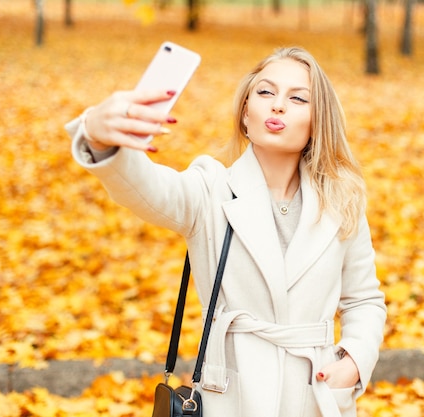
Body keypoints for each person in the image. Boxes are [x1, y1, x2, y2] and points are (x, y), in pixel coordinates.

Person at [66, 46, 386, 417]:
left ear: (318, 122)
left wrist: (354, 362)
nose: (278, 105)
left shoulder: (341, 200)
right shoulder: (210, 189)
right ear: (245, 114)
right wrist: (99, 136)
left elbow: (364, 299)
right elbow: (147, 187)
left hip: (315, 394)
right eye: (265, 92)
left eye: (298, 98)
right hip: (231, 398)